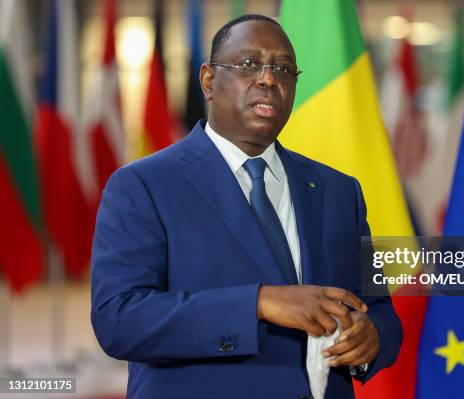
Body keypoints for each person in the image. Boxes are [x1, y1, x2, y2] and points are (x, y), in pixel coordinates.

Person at [91, 14, 402, 399]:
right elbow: (119, 321)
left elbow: (382, 312)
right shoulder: (143, 186)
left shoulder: (339, 191)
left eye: (284, 69)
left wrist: (371, 340)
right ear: (208, 80)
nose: (269, 79)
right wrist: (258, 303)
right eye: (249, 65)